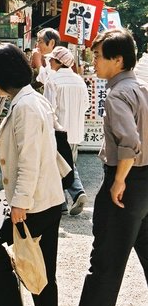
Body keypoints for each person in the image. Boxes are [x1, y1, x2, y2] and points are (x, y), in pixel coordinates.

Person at [0, 43, 65, 306]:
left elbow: (29, 158)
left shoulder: (25, 106)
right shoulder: (31, 100)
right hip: (45, 200)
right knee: (42, 274)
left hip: (33, 205)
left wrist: (19, 204)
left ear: (3, 75)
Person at [70, 28, 148, 306]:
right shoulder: (141, 88)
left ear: (117, 60)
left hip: (126, 185)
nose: (94, 63)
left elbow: (129, 142)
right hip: (146, 183)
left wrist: (118, 181)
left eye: (98, 56)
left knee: (105, 265)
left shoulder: (117, 94)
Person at [44, 45, 90, 216]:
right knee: (64, 164)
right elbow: (86, 105)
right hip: (75, 131)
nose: (49, 61)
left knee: (61, 165)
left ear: (58, 62)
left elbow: (48, 109)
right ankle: (61, 203)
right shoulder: (79, 81)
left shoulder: (53, 80)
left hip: (58, 131)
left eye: (51, 59)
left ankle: (77, 192)